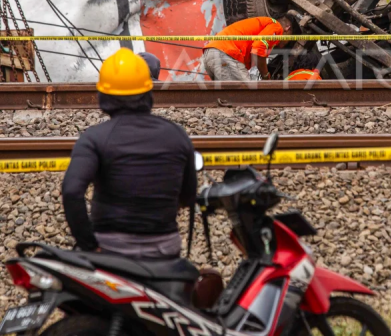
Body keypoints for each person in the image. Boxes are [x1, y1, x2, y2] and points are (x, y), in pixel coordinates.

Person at [62, 48, 197, 258]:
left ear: (103, 95)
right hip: (164, 249)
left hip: (111, 250)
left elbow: (71, 192)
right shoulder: (176, 135)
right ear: (148, 92)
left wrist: (88, 245)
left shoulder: (94, 138)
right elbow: (189, 196)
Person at [202, 16, 287, 81]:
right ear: (288, 28)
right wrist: (266, 76)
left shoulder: (261, 24)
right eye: (288, 41)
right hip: (226, 55)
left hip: (210, 54)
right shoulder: (276, 26)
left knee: (229, 100)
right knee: (246, 97)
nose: (283, 46)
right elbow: (258, 49)